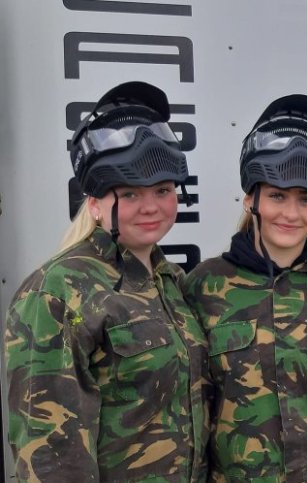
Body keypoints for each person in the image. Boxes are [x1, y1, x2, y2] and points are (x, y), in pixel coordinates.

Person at [4, 81, 208, 481]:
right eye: (129, 194)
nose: (151, 207)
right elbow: (50, 454)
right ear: (95, 204)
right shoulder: (58, 291)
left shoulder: (172, 282)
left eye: (162, 190)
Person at [182, 95, 307, 481]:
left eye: (305, 200)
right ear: (250, 200)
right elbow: (192, 411)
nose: (291, 214)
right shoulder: (204, 286)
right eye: (277, 195)